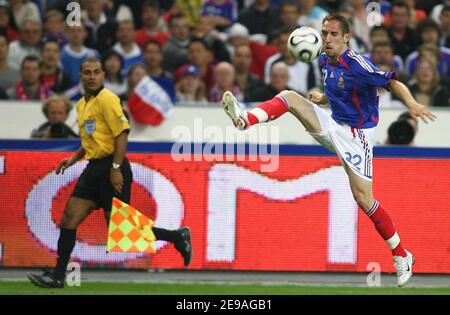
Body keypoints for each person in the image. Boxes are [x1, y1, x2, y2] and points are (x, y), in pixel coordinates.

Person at [220, 14, 436, 287]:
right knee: (289, 97)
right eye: (324, 33)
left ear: (346, 37)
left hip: (357, 136)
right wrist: (323, 97)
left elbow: (392, 82)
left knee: (363, 199)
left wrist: (412, 105)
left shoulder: (357, 64)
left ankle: (401, 253)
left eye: (334, 34)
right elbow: (340, 90)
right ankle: (245, 119)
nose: (328, 39)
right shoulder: (323, 59)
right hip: (334, 123)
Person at [27, 58, 193, 289]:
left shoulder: (108, 99)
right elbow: (93, 140)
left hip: (111, 167)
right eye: (87, 72)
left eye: (96, 72)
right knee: (69, 218)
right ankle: (58, 275)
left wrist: (115, 169)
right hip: (93, 168)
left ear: (103, 75)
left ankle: (177, 237)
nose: (92, 76)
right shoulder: (81, 105)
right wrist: (73, 158)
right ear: (81, 77)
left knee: (122, 230)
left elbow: (122, 135)